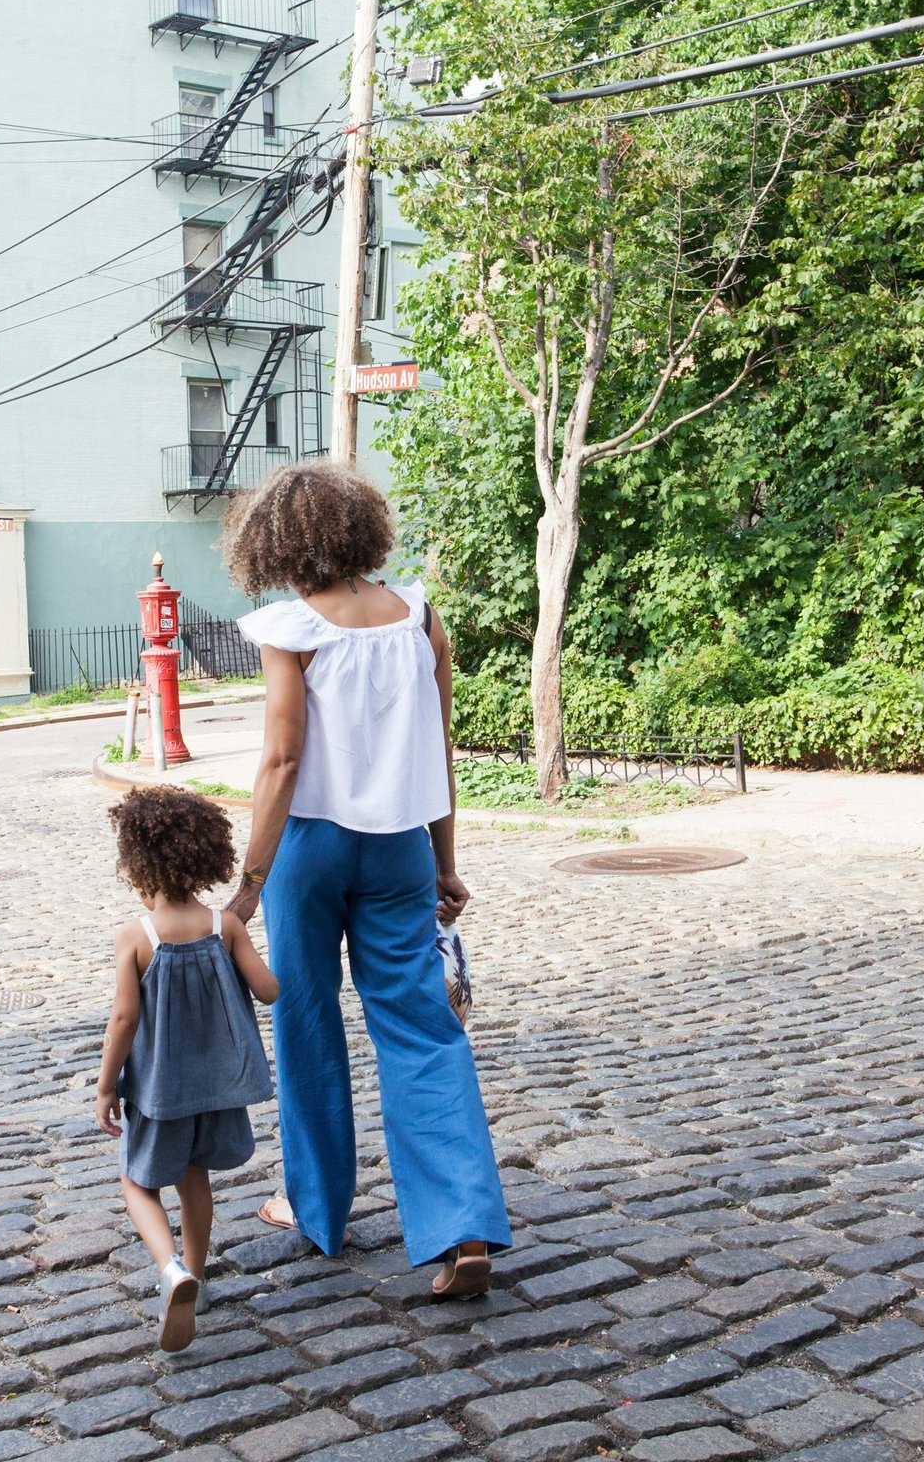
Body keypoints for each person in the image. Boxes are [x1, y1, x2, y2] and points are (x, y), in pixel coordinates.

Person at [225, 461, 511, 1297]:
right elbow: (438, 745)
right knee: (423, 1028)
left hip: (311, 849)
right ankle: (460, 1224)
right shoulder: (417, 615)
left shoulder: (291, 627)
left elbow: (282, 758)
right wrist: (446, 860)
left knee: (307, 1021)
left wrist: (248, 884)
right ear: (362, 530)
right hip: (399, 850)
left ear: (276, 541)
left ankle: (317, 1209)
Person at [96, 785, 279, 1351]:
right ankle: (196, 1277)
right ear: (205, 858)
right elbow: (269, 991)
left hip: (159, 1092)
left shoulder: (137, 936)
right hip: (218, 1089)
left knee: (137, 1179)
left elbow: (125, 1018)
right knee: (194, 1179)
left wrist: (106, 1086)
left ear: (136, 866)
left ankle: (170, 1268)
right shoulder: (225, 926)